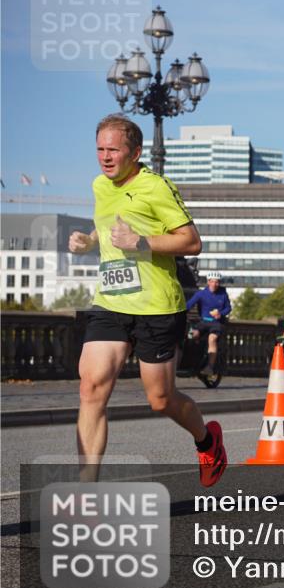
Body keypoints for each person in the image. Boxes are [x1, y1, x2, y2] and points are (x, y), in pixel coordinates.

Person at [67, 114, 227, 486]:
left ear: (136, 153)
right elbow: (108, 223)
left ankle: (207, 440)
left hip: (156, 307)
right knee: (90, 386)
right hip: (110, 301)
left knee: (161, 398)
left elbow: (191, 241)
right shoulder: (99, 185)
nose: (105, 157)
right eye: (100, 149)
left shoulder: (156, 187)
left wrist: (142, 243)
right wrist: (88, 242)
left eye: (114, 150)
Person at [185, 271, 231, 379]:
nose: (215, 284)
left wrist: (221, 314)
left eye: (217, 282)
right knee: (191, 335)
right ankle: (193, 361)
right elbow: (188, 305)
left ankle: (209, 367)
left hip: (217, 323)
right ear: (208, 282)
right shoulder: (201, 294)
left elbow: (228, 308)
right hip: (203, 322)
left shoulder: (223, 293)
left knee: (212, 339)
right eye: (213, 282)